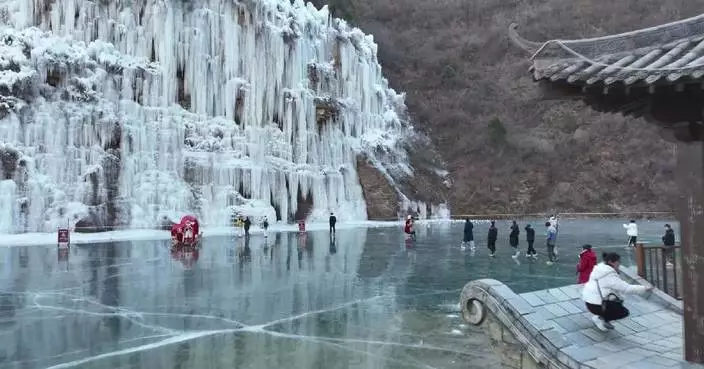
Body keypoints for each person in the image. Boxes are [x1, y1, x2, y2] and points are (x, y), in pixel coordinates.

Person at [582, 252, 652, 331]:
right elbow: (626, 288)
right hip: (597, 305)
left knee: (617, 300)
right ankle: (600, 318)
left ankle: (602, 317)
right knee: (623, 312)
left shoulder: (599, 270)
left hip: (589, 302)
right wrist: (645, 288)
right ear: (611, 262)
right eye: (618, 261)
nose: (619, 264)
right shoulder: (608, 275)